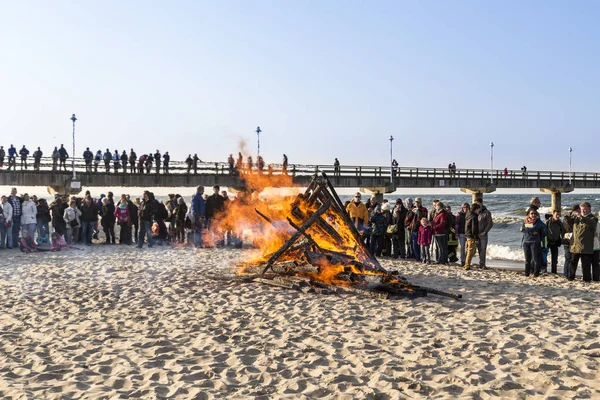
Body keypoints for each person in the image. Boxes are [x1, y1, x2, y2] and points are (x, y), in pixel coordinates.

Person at [568, 202, 598, 282]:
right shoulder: (577, 218)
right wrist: (569, 215)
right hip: (575, 244)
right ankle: (570, 277)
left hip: (586, 245)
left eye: (585, 210)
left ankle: (586, 279)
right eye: (582, 210)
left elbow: (591, 223)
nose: (583, 211)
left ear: (589, 209)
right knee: (573, 262)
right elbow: (568, 225)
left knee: (586, 264)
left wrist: (580, 216)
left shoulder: (593, 218)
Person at [520, 209, 546, 277]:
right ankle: (527, 273)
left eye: (535, 213)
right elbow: (523, 228)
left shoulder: (538, 222)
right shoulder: (525, 221)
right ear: (529, 214)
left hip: (535, 242)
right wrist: (530, 232)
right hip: (526, 242)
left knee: (535, 259)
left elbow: (534, 228)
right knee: (527, 259)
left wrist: (525, 230)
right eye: (532, 213)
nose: (533, 215)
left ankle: (536, 273)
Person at [406, 197, 428, 262]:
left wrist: (418, 212)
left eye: (418, 202)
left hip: (421, 229)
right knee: (414, 245)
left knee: (421, 245)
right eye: (416, 202)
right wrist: (412, 213)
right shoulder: (412, 209)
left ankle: (422, 257)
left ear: (420, 203)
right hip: (414, 229)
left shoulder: (424, 209)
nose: (417, 203)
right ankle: (417, 258)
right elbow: (408, 219)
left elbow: (424, 218)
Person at [475, 197, 493, 269]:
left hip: (483, 234)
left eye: (477, 203)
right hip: (475, 234)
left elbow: (490, 223)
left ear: (481, 203)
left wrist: (485, 232)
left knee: (483, 249)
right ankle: (477, 262)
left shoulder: (487, 212)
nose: (476, 204)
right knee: (477, 249)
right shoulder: (474, 212)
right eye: (475, 203)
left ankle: (482, 264)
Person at [562, 205, 579, 277]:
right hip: (568, 240)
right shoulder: (567, 218)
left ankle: (570, 274)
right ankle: (566, 274)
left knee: (571, 258)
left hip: (573, 240)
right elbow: (570, 228)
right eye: (579, 210)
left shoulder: (571, 218)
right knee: (568, 258)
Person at [546, 209, 564, 274]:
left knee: (554, 258)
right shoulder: (548, 222)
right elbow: (543, 231)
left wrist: (563, 240)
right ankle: (544, 270)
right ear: (553, 214)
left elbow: (563, 233)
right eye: (557, 214)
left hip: (555, 242)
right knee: (544, 257)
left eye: (559, 215)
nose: (558, 216)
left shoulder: (560, 223)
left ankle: (554, 271)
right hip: (547, 242)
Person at [464, 203, 481, 270]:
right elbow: (474, 228)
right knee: (471, 251)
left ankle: (467, 263)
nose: (479, 211)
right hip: (471, 235)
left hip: (468, 234)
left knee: (471, 250)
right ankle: (467, 265)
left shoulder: (468, 214)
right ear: (476, 209)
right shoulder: (474, 216)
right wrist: (476, 237)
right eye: (478, 210)